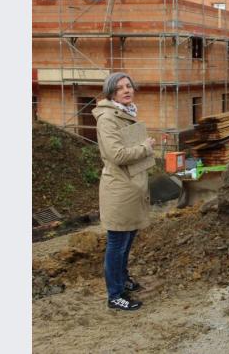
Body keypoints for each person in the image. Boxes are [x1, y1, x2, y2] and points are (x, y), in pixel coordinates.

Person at [93, 72, 156, 310]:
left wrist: (142, 148)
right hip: (119, 189)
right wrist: (145, 147)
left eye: (129, 85)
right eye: (120, 88)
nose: (126, 90)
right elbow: (116, 154)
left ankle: (123, 280)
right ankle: (115, 295)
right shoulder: (108, 119)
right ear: (111, 93)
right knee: (117, 242)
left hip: (132, 187)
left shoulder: (126, 113)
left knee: (127, 239)